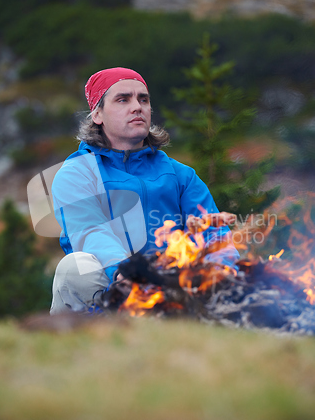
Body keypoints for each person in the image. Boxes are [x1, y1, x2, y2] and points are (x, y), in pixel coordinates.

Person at [50, 67, 239, 315]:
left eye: (143, 99)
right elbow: (90, 234)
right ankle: (75, 344)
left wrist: (224, 272)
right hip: (112, 288)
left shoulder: (181, 175)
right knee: (74, 267)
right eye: (122, 99)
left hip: (175, 289)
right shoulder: (78, 173)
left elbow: (214, 234)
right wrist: (126, 273)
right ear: (97, 114)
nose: (137, 106)